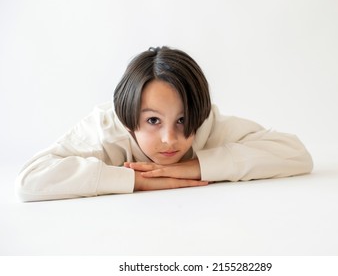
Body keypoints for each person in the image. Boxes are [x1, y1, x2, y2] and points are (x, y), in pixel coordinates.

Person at [15, 46, 313, 202]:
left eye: (183, 120)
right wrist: (139, 181)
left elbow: (296, 154)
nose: (171, 138)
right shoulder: (106, 129)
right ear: (128, 117)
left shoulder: (209, 124)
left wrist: (192, 167)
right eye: (153, 120)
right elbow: (30, 180)